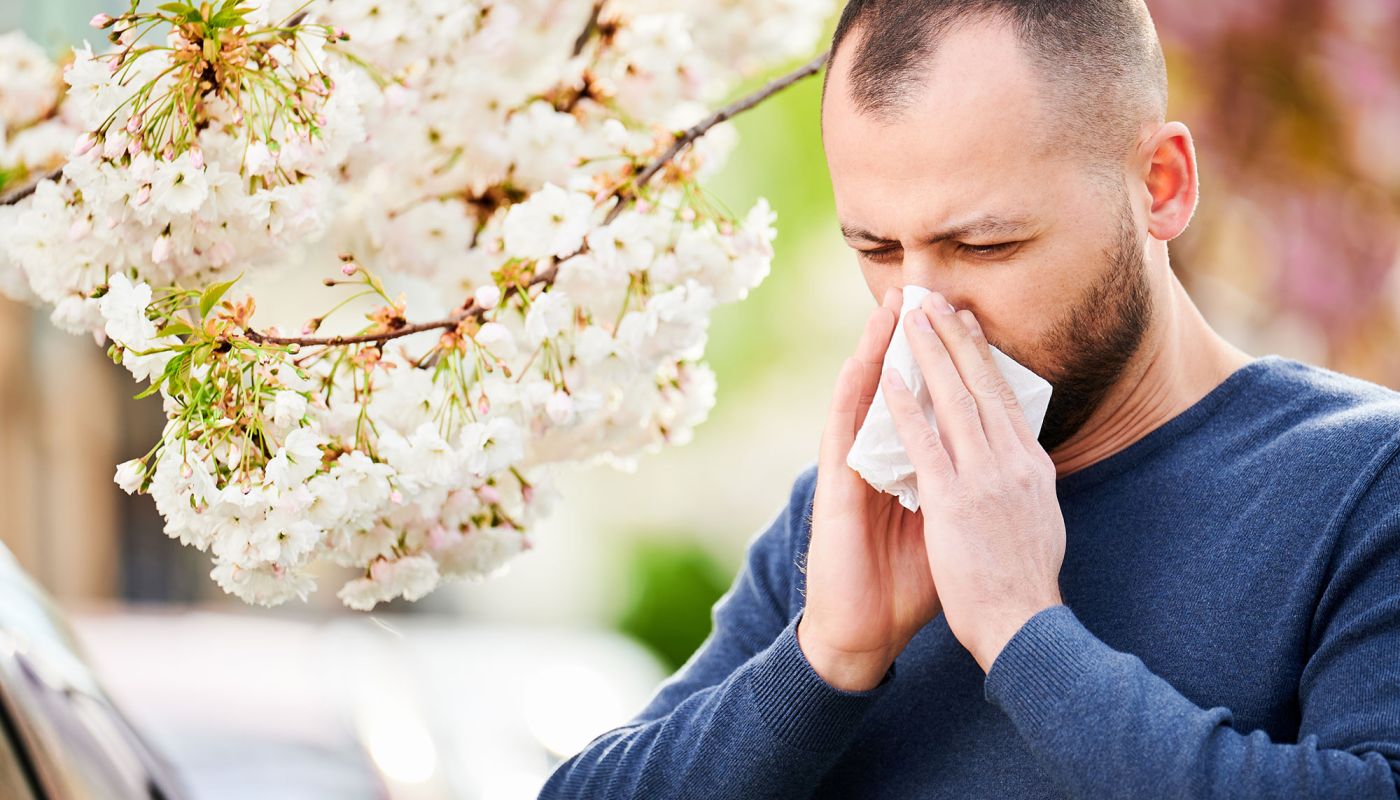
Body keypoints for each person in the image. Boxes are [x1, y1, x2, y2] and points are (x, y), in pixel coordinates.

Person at [539, 1, 1400, 797]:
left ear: (1161, 185)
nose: (921, 309)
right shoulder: (854, 521)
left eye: (984, 245)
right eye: (877, 249)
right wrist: (825, 659)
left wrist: (1024, 631)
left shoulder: (1362, 484)